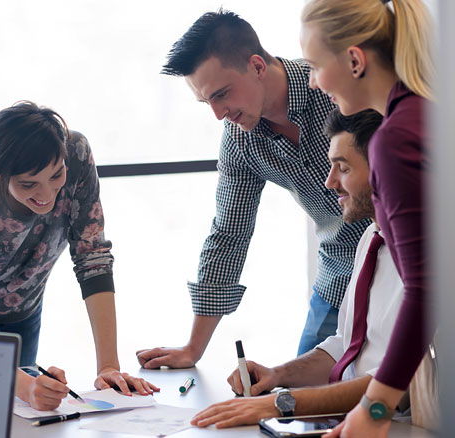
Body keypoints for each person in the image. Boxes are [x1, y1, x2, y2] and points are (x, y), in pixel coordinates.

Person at [136, 9, 371, 370]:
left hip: (404, 258)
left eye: (222, 94)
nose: (218, 114)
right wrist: (193, 349)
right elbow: (229, 233)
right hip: (339, 275)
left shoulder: (334, 87)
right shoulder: (240, 140)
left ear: (258, 66)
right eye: (206, 103)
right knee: (301, 402)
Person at [0, 101, 159, 411]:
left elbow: (92, 256)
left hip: (20, 301)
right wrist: (25, 387)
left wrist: (108, 367)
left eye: (56, 176)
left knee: (9, 415)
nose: (46, 195)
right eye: (28, 184)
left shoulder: (76, 153)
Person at [192, 109, 404, 428]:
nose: (329, 182)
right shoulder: (370, 238)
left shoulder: (427, 260)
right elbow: (345, 345)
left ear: (383, 171)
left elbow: (398, 385)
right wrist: (278, 376)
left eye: (343, 169)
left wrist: (283, 403)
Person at [299, 1, 433, 436]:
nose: (315, 84)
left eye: (316, 66)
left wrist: (373, 412)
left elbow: (426, 288)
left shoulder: (396, 139)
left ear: (355, 60)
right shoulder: (425, 112)